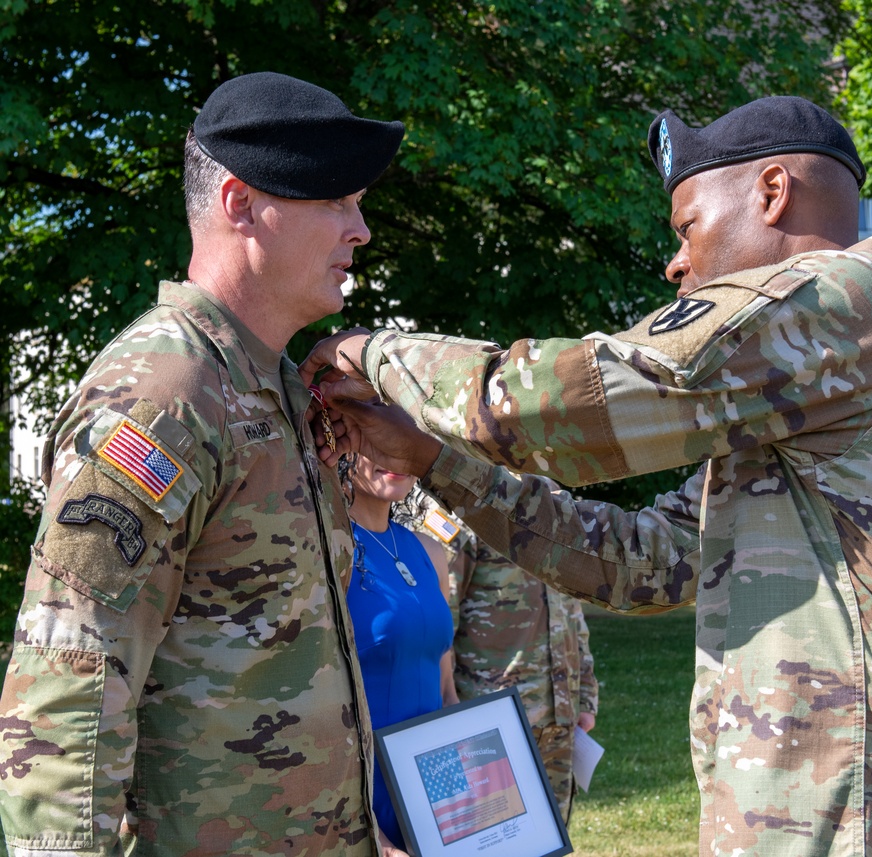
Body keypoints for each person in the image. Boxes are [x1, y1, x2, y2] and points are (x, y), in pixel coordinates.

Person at [301, 96, 872, 855]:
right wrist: (433, 460)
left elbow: (566, 403)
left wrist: (374, 352)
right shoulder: (798, 390)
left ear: (772, 193)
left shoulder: (853, 297)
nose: (676, 262)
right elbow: (645, 560)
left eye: (687, 227)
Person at [0, 71, 405, 856]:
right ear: (242, 205)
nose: (360, 230)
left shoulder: (278, 387)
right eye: (335, 201)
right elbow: (72, 667)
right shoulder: (166, 390)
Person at [418, 495, 598, 824]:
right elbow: (436, 629)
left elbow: (571, 612)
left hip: (559, 726)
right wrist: (447, 719)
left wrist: (585, 695)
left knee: (550, 838)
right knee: (491, 841)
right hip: (487, 730)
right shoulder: (465, 505)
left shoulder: (559, 504)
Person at [339, 453, 458, 852]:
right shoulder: (329, 552)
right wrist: (378, 837)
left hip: (432, 792)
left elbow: (445, 685)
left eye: (403, 440)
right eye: (377, 442)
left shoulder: (431, 552)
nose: (396, 455)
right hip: (356, 797)